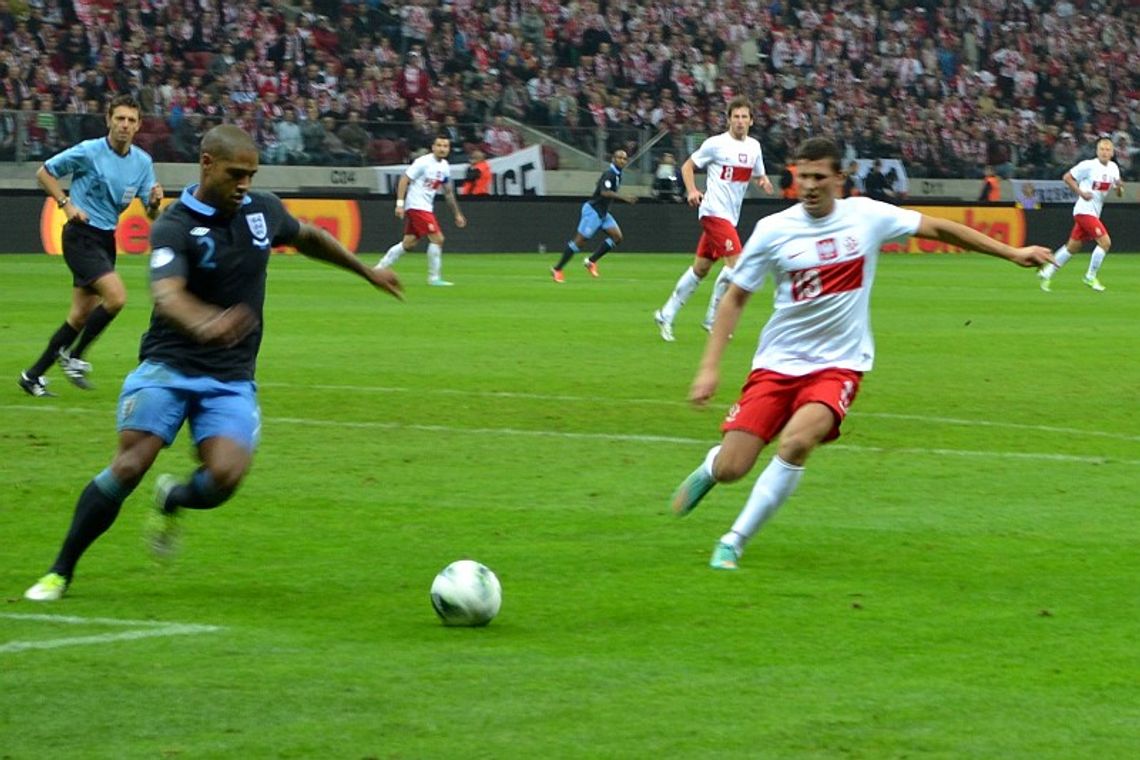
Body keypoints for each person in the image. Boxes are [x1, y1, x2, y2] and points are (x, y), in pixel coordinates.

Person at [23, 124, 403, 602]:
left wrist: (367, 272)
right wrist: (206, 323)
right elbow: (167, 295)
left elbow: (307, 236)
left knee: (224, 478)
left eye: (251, 174)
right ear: (206, 165)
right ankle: (60, 572)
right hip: (169, 364)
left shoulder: (262, 209)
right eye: (235, 174)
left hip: (230, 376)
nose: (244, 183)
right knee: (129, 464)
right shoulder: (174, 225)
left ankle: (173, 499)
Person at [669, 137, 1052, 571]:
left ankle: (733, 541)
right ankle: (711, 466)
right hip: (777, 365)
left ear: (839, 178)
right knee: (733, 469)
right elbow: (736, 298)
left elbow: (942, 229)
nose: (809, 185)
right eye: (802, 176)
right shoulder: (775, 229)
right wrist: (708, 367)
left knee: (797, 442)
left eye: (818, 177)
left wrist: (1011, 252)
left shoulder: (867, 215)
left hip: (839, 365)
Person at [18, 94, 164, 398]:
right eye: (120, 118)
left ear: (139, 126)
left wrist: (153, 204)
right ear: (108, 119)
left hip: (105, 239)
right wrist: (66, 204)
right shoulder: (89, 151)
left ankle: (32, 376)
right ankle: (74, 356)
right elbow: (43, 172)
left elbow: (150, 213)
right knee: (116, 297)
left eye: (131, 120)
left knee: (79, 316)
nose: (124, 125)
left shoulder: (143, 163)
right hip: (80, 234)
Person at [653, 97, 773, 342]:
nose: (740, 121)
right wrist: (692, 190)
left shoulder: (754, 147)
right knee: (737, 267)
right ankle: (712, 320)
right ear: (728, 119)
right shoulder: (716, 144)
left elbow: (758, 173)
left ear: (751, 120)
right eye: (735, 117)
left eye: (744, 117)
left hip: (730, 216)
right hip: (713, 213)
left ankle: (666, 314)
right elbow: (687, 166)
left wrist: (763, 180)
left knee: (701, 268)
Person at [374, 134, 467, 286]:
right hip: (416, 205)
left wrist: (457, 213)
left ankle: (379, 268)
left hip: (425, 207)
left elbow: (448, 192)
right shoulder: (423, 162)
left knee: (408, 243)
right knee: (438, 239)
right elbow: (404, 179)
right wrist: (399, 203)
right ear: (433, 147)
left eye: (445, 146)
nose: (442, 149)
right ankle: (434, 278)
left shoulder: (444, 166)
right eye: (439, 145)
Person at [1037, 137, 1123, 293]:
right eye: (1101, 149)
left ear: (1112, 153)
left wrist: (1119, 188)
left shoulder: (1114, 168)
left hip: (1094, 213)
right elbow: (1067, 177)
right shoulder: (1089, 166)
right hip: (1084, 211)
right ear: (1097, 151)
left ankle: (1046, 272)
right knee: (1105, 242)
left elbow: (1119, 192)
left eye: (1107, 149)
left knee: (1072, 247)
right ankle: (1090, 276)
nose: (1104, 152)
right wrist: (1081, 193)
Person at [551, 149, 637, 281]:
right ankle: (557, 269)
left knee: (617, 237)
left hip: (602, 212)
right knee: (579, 242)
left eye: (625, 159)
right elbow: (604, 192)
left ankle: (591, 261)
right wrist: (623, 197)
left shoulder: (618, 174)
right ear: (613, 159)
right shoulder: (610, 174)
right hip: (593, 211)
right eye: (619, 158)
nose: (622, 160)